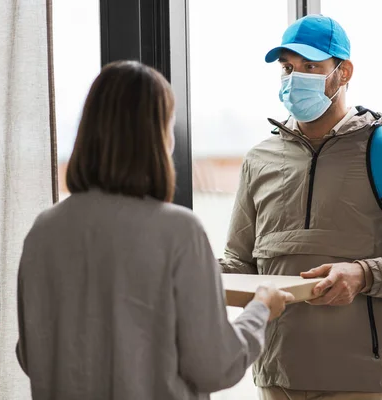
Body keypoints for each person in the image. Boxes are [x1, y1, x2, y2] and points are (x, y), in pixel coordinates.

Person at [15, 60, 294, 400]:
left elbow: (31, 354)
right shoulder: (178, 231)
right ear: (155, 136)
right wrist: (261, 309)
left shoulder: (45, 230)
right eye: (168, 125)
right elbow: (214, 365)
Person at [219, 14, 382, 400]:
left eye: (311, 66)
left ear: (343, 72)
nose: (293, 78)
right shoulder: (259, 159)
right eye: (287, 67)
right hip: (275, 376)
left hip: (361, 380)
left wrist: (362, 274)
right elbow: (238, 264)